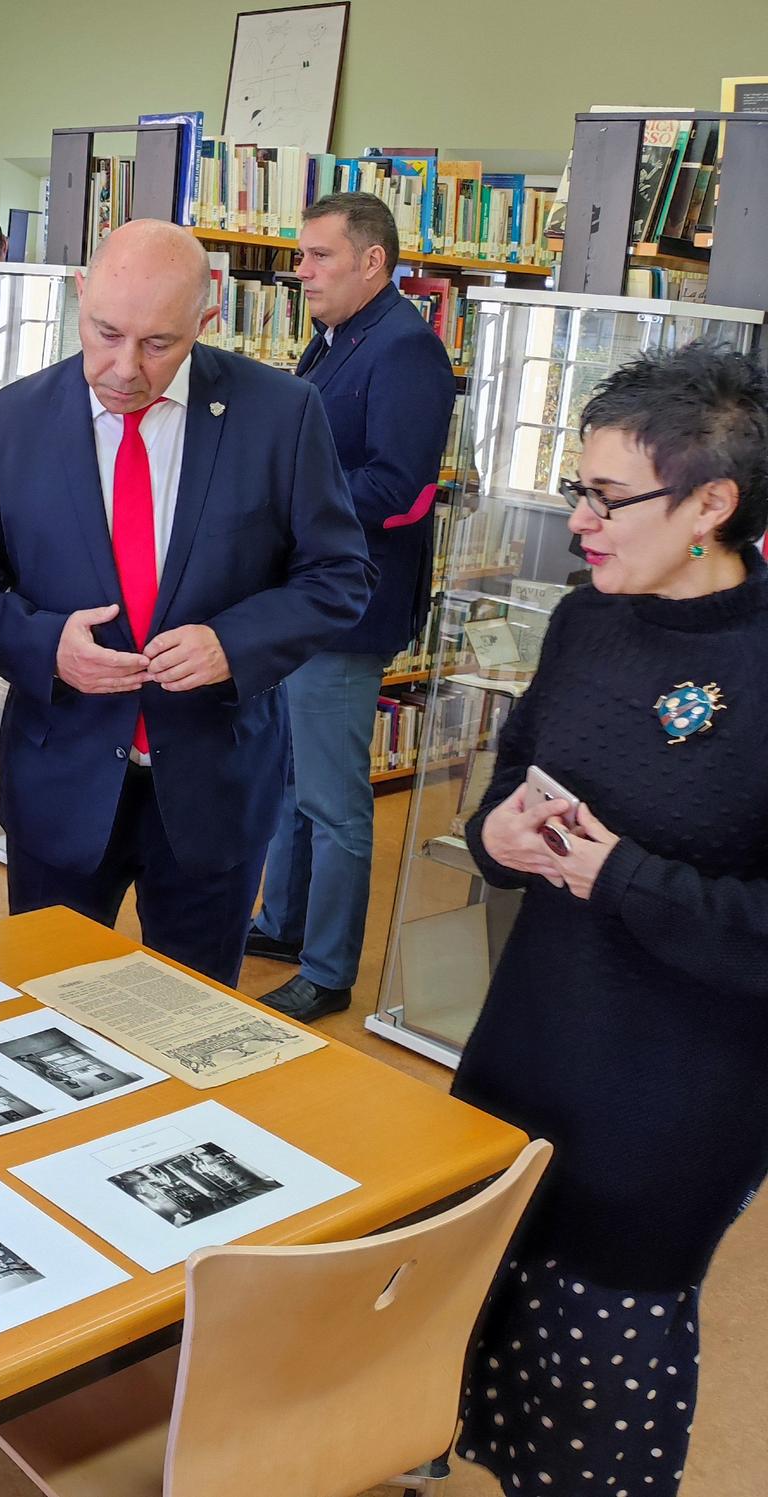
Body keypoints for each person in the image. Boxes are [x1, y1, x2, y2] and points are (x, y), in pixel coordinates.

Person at [450, 345, 768, 1497]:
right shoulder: (587, 619)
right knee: (465, 1307)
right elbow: (512, 779)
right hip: (525, 1048)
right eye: (573, 484)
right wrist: (495, 839)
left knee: (593, 1387)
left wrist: (619, 878)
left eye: (603, 495)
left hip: (671, 1105)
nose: (574, 516)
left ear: (710, 505)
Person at [0, 220, 371, 987]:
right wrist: (48, 647)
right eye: (106, 333)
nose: (126, 368)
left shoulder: (282, 415)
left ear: (206, 323)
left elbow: (338, 576)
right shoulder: (10, 423)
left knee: (192, 1022)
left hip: (214, 791)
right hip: (61, 782)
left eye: (159, 343)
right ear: (80, 295)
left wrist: (232, 645)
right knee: (43, 1015)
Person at [248, 192, 458, 1021]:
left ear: (372, 262)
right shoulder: (333, 339)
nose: (301, 272)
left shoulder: (406, 349)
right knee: (291, 777)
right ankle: (283, 922)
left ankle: (329, 968)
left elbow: (399, 487)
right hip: (304, 597)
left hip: (347, 606)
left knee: (334, 799)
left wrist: (290, 501)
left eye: (317, 256)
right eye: (301, 257)